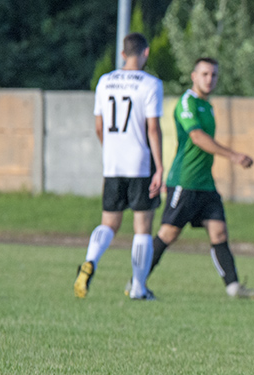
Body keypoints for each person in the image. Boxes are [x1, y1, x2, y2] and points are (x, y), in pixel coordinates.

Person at [145, 57, 254, 299]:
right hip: (185, 181)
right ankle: (137, 281)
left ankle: (233, 288)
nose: (210, 79)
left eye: (214, 75)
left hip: (205, 184)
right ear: (194, 76)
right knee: (168, 234)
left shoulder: (207, 105)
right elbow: (197, 137)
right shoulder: (187, 102)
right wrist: (233, 156)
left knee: (219, 233)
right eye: (205, 74)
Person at [74, 32, 164, 300]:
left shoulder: (105, 82)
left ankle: (90, 261)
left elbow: (99, 126)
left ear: (123, 54)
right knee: (142, 227)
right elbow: (153, 128)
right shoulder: (151, 84)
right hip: (140, 163)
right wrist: (160, 167)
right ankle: (138, 288)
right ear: (146, 52)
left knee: (109, 223)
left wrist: (111, 150)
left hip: (113, 163)